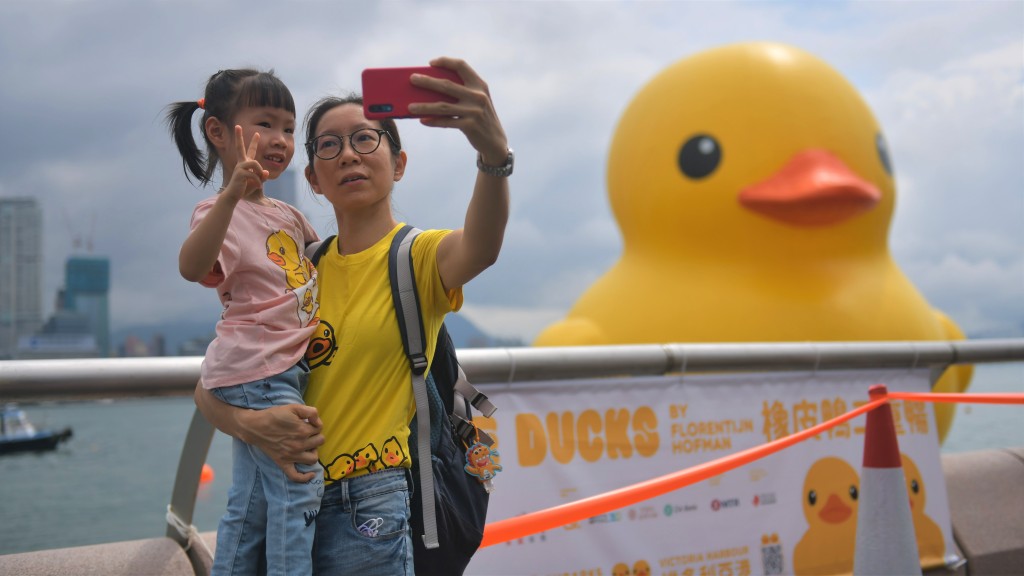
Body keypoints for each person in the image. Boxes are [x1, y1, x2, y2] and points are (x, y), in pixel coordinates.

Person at [195, 56, 511, 575]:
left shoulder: (418, 257)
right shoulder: (297, 270)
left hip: (371, 510)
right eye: (328, 145)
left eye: (366, 139)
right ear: (314, 178)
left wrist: (494, 155)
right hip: (290, 502)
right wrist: (256, 425)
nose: (348, 155)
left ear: (399, 162)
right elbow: (211, 389)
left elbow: (482, 246)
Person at [166, 68, 324, 576]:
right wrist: (232, 194)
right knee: (300, 481)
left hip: (280, 367)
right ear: (218, 132)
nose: (280, 140)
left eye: (288, 128)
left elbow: (327, 264)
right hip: (258, 370)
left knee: (253, 504)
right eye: (266, 124)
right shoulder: (218, 210)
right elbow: (192, 267)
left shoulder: (289, 216)